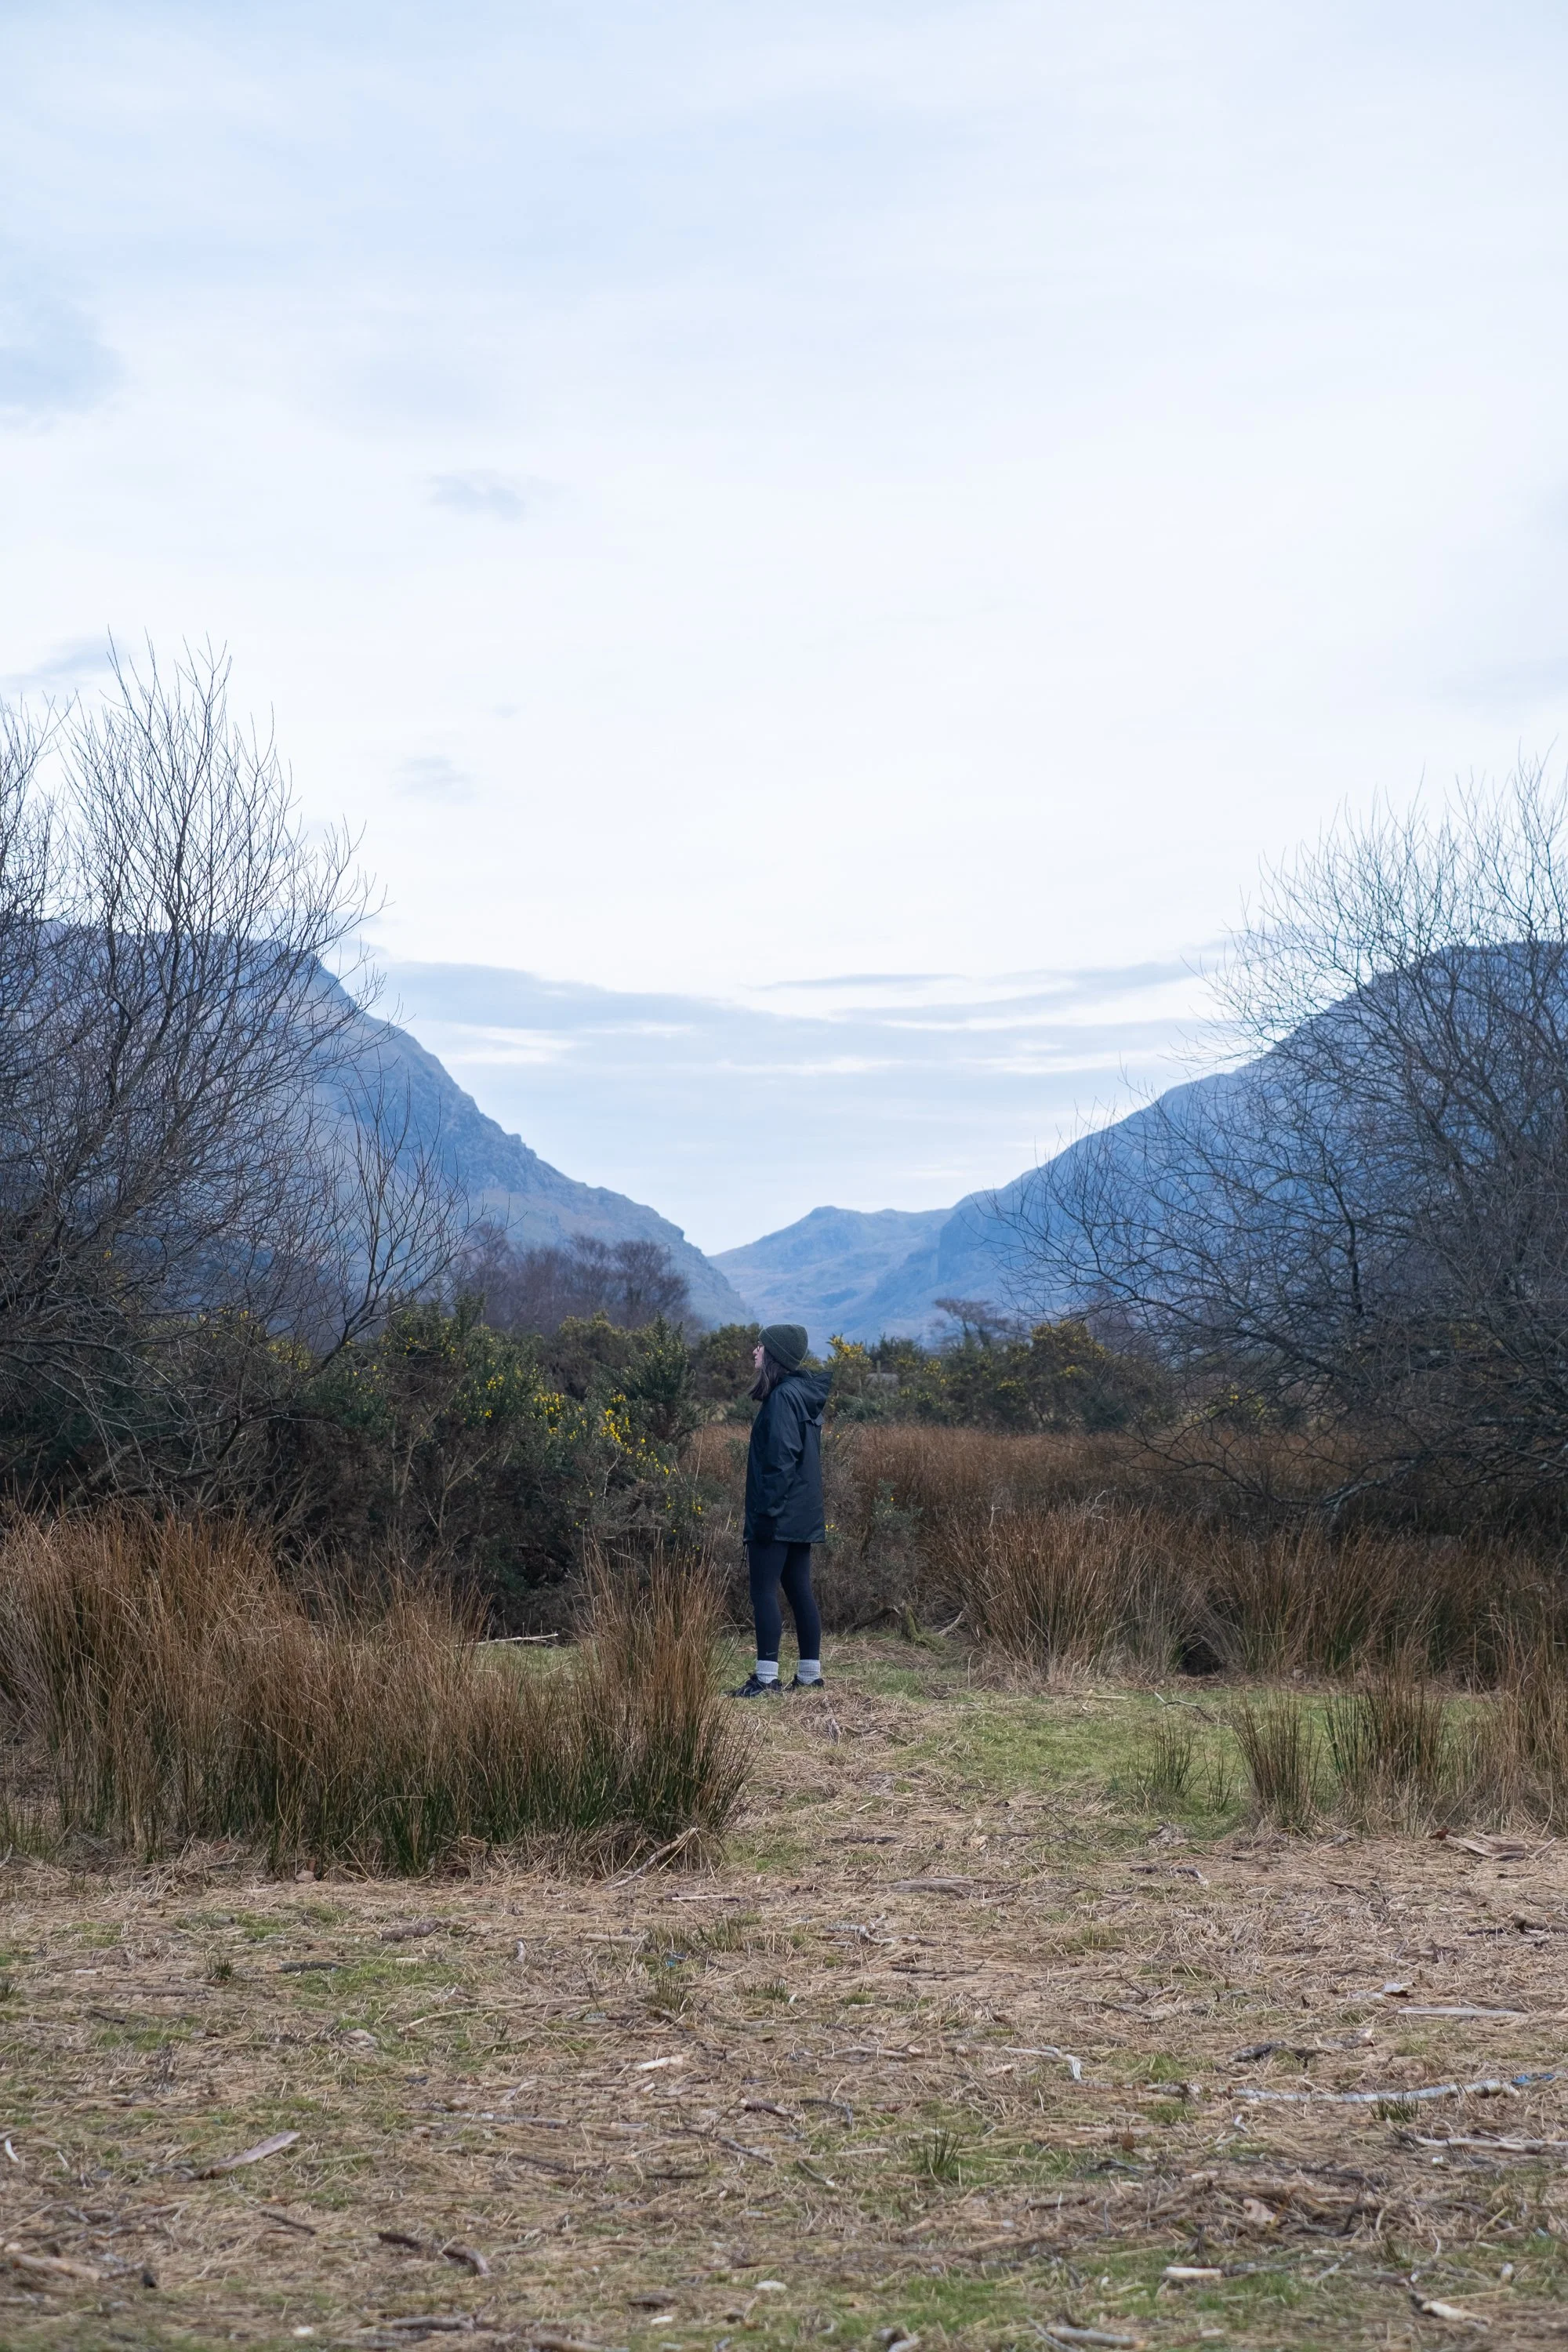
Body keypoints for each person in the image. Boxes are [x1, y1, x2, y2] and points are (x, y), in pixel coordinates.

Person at [729, 1322, 831, 1698]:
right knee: (799, 1590)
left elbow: (780, 1461)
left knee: (763, 1591)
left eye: (760, 1346)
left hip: (778, 1515)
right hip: (801, 1514)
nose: (755, 1351)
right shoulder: (801, 1395)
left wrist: (765, 1514)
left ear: (774, 1354)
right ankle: (809, 1676)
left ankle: (766, 1679)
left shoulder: (783, 1398)